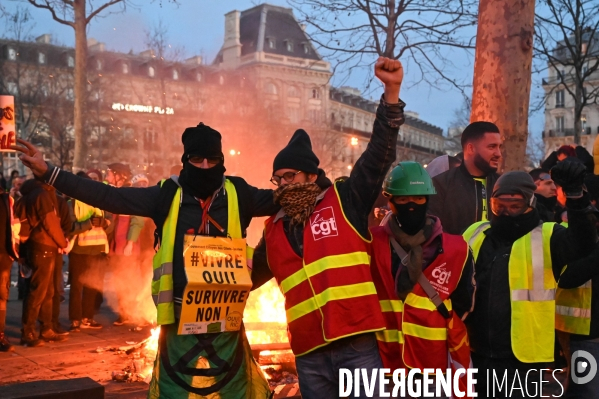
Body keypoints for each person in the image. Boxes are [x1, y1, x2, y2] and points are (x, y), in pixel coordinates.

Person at [12, 122, 277, 398]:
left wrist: (314, 179)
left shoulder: (239, 193)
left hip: (226, 317)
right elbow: (109, 196)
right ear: (185, 160)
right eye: (197, 159)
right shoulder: (165, 195)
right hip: (178, 318)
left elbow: (286, 198)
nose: (205, 166)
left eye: (213, 159)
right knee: (175, 390)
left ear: (222, 161)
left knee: (233, 390)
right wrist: (51, 173)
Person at [251, 57, 405, 399]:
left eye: (289, 176)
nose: (282, 185)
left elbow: (379, 154)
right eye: (277, 179)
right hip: (308, 353)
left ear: (309, 175)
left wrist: (391, 95)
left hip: (357, 345)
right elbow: (246, 276)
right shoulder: (274, 228)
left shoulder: (345, 199)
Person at [462, 161, 597, 397]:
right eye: (498, 205)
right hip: (475, 351)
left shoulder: (548, 235)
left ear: (529, 203)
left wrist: (576, 198)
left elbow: (583, 242)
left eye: (514, 205)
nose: (505, 212)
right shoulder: (475, 232)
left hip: (524, 359)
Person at [369, 162, 475, 397]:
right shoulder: (371, 243)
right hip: (383, 366)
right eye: (403, 199)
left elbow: (465, 304)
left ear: (428, 199)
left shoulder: (457, 248)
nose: (411, 205)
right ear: (390, 200)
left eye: (418, 199)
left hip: (433, 369)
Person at [428, 122, 502, 235]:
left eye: (499, 147)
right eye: (492, 147)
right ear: (471, 148)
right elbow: (433, 234)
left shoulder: (503, 186)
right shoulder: (440, 185)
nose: (498, 154)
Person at [19, 179, 68, 346]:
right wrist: (63, 242)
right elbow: (50, 222)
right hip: (43, 245)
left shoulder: (36, 193)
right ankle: (28, 332)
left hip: (42, 245)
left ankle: (46, 328)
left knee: (47, 291)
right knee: (38, 291)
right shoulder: (41, 195)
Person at [68, 172, 113, 331]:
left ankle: (88, 317)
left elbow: (110, 223)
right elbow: (70, 228)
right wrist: (88, 223)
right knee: (76, 287)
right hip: (79, 251)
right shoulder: (72, 204)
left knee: (92, 286)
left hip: (98, 250)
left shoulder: (99, 202)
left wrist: (103, 222)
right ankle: (75, 319)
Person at [0, 189, 20, 351]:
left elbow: (13, 225)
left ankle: (0, 335)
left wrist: (12, 251)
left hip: (3, 255)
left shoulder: (7, 199)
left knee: (1, 296)